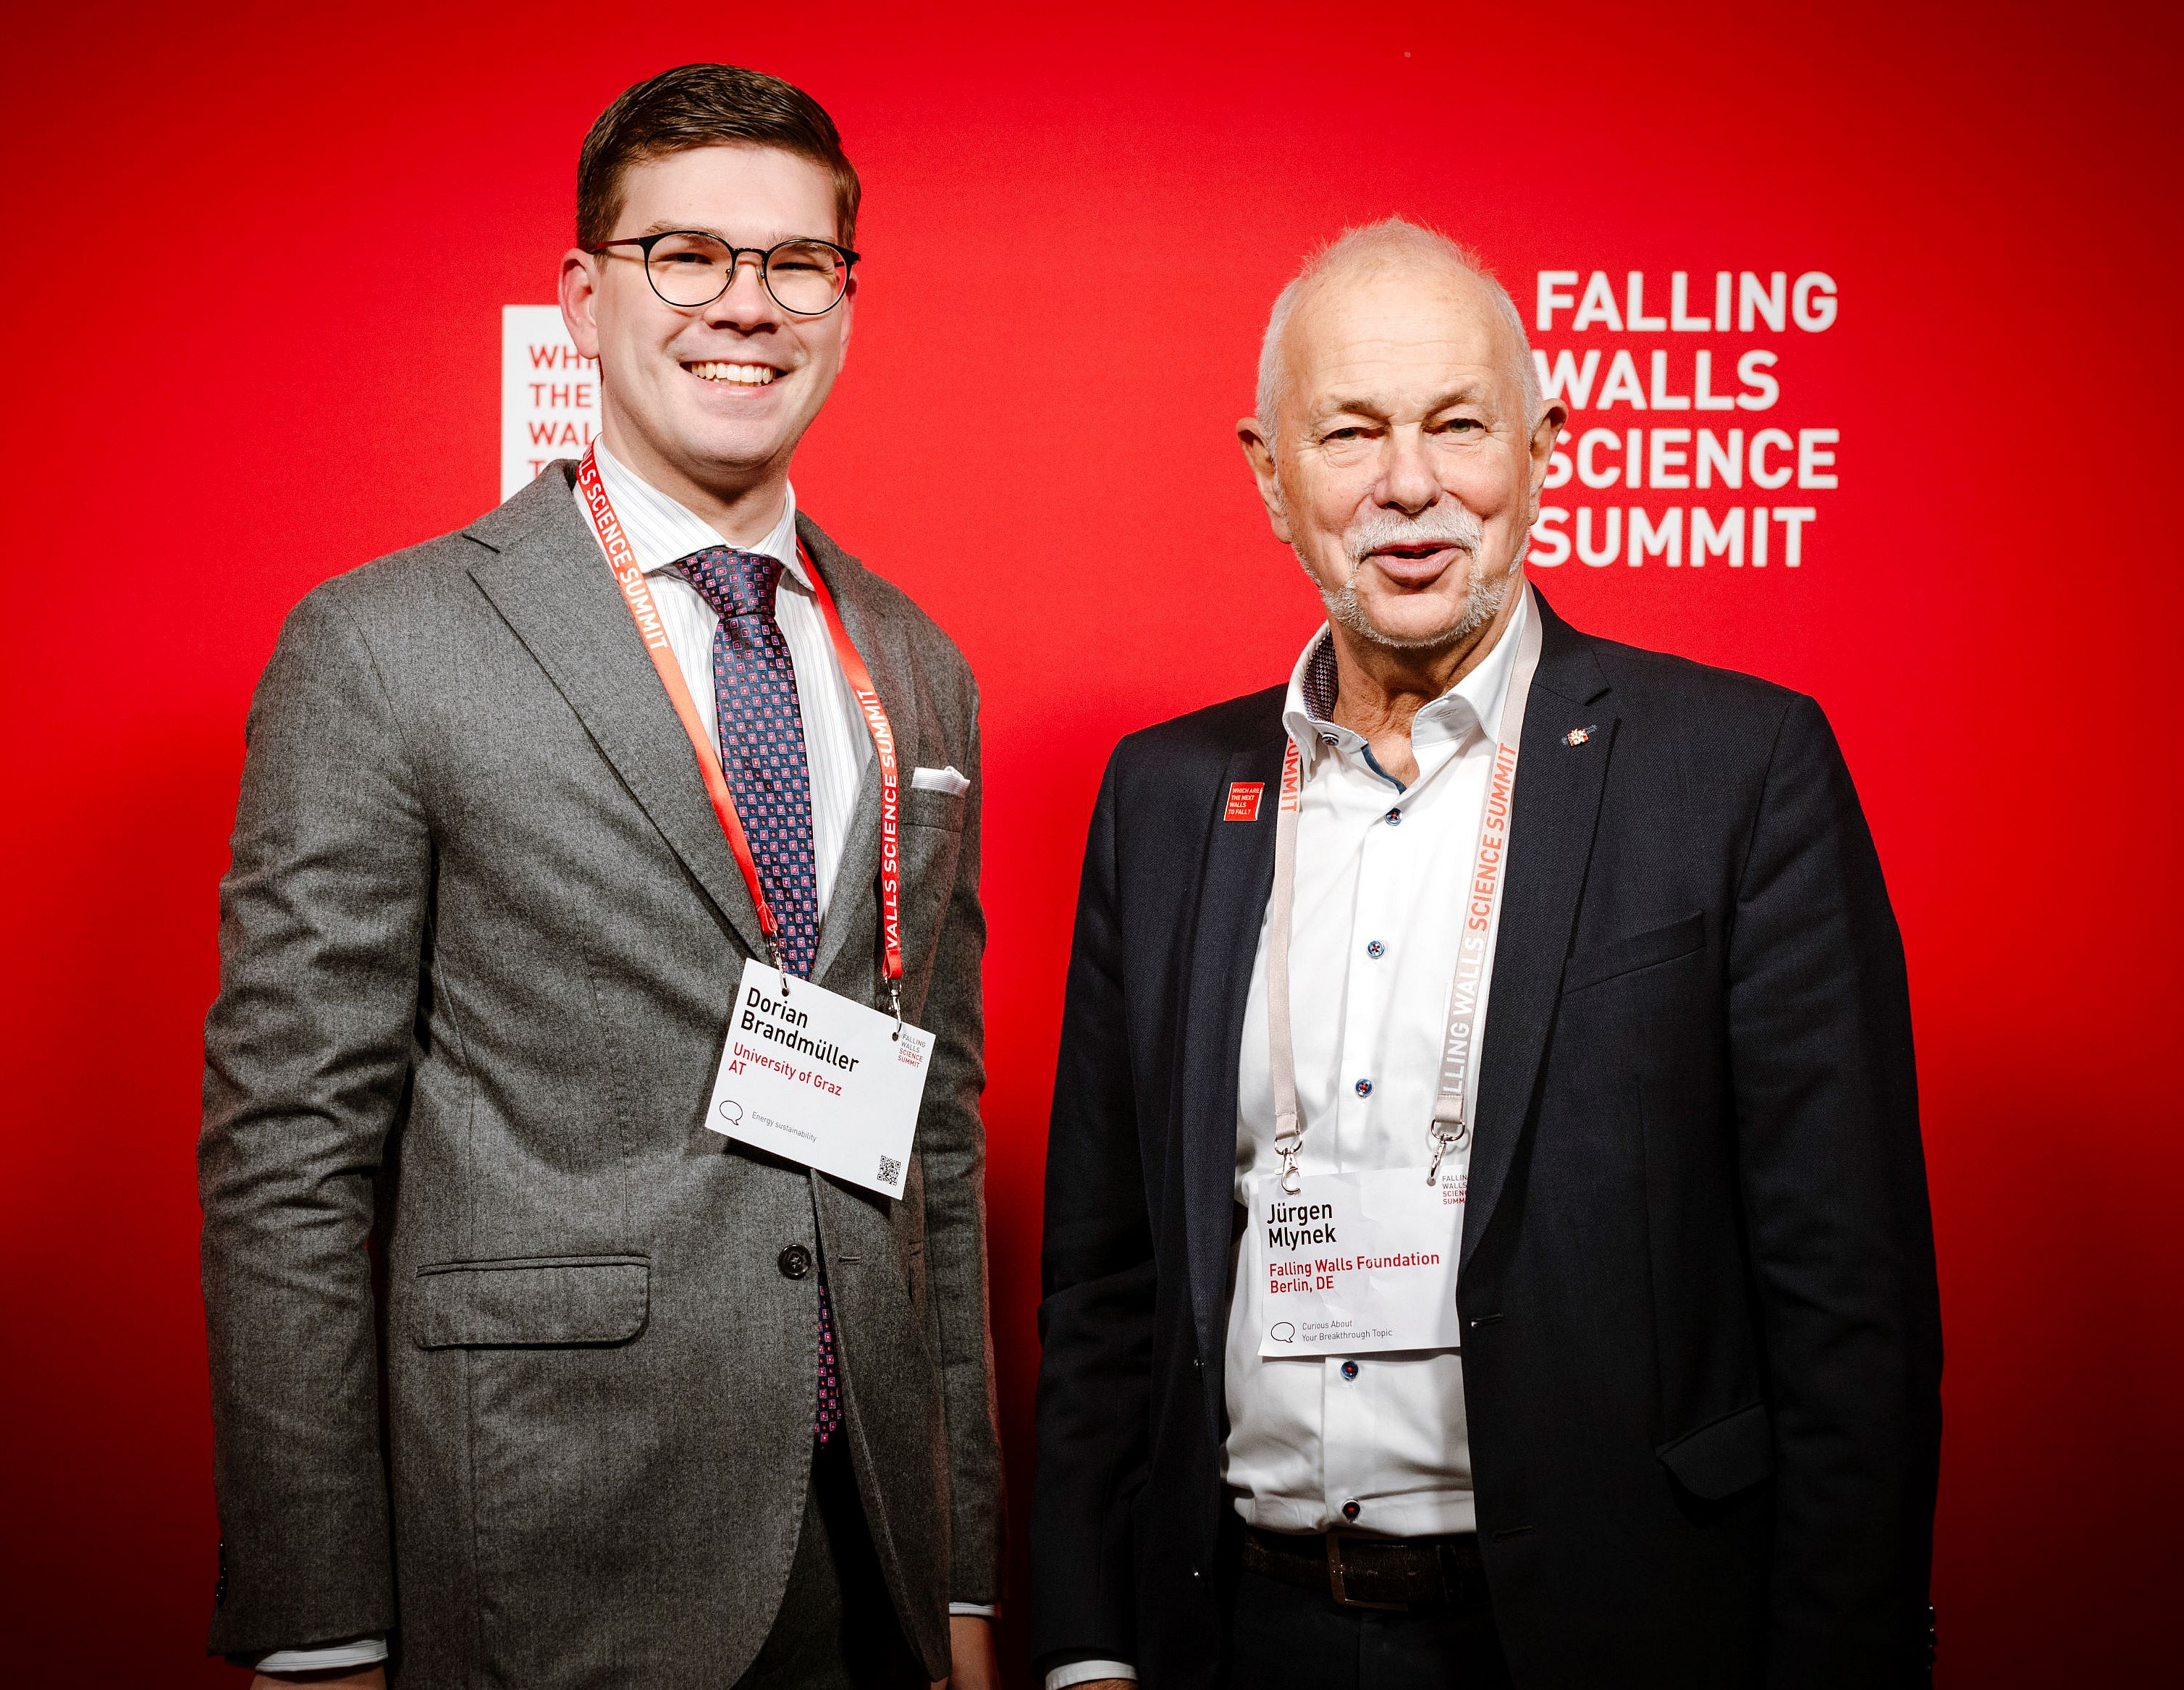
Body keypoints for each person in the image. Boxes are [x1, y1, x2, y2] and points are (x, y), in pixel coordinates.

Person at [1029, 219, 1941, 1689]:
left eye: (1459, 425)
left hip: (1619, 1631)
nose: (1410, 483)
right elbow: (1106, 1277)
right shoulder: (1167, 797)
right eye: (1351, 432)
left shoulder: (1738, 771)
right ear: (1271, 475)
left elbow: (1851, 1304)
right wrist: (1084, 1641)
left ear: (1541, 448)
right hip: (1239, 1632)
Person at [200, 64, 1002, 1690]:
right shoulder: (383, 644)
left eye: (796, 264)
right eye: (686, 256)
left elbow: (944, 1135)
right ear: (585, 294)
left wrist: (966, 1574)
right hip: (549, 1544)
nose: (746, 307)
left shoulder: (911, 662)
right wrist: (316, 1620)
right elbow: (288, 1153)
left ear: (844, 302)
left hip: (869, 1565)